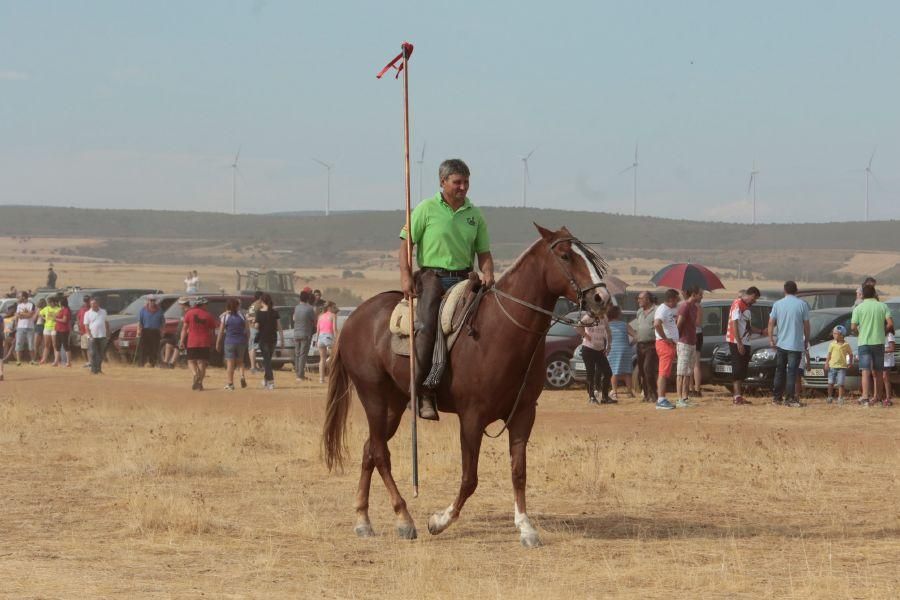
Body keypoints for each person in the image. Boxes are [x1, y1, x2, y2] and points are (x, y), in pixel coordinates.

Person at [398, 158, 494, 420]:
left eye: (466, 182)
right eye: (457, 182)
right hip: (432, 277)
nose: (463, 187)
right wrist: (406, 276)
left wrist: (488, 273)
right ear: (443, 182)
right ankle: (423, 389)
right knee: (431, 324)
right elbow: (406, 245)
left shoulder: (474, 214)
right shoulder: (425, 209)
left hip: (465, 277)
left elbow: (483, 253)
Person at [768, 281, 811, 408]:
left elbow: (771, 323)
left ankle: (776, 398)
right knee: (792, 372)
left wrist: (771, 339)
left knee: (779, 371)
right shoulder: (802, 304)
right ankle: (790, 398)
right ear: (796, 290)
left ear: (784, 290)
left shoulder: (778, 304)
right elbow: (807, 325)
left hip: (781, 343)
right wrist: (806, 340)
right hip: (796, 344)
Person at [851, 283, 893, 406]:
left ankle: (865, 396)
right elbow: (890, 324)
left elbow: (853, 326)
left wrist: (860, 333)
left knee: (865, 370)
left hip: (864, 342)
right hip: (879, 342)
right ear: (874, 294)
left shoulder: (858, 308)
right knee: (879, 371)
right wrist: (883, 332)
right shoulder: (882, 306)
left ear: (863, 295)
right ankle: (878, 397)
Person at [726, 287, 762, 406]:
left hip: (746, 341)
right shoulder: (738, 304)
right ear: (750, 294)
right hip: (737, 341)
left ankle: (739, 395)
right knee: (737, 368)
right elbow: (734, 324)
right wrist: (739, 342)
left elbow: (747, 328)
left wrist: (762, 332)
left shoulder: (746, 308)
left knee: (743, 369)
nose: (755, 301)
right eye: (754, 298)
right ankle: (736, 396)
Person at [576, 307, 612, 405]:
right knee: (590, 373)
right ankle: (591, 397)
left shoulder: (604, 317)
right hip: (588, 349)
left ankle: (605, 397)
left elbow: (608, 332)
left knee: (608, 372)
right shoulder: (588, 317)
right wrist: (585, 335)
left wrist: (608, 346)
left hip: (600, 349)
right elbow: (577, 326)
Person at [180, 297, 217, 391]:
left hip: (192, 341)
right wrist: (213, 341)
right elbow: (212, 330)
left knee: (191, 361)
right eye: (206, 304)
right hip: (205, 342)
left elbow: (184, 329)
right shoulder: (208, 315)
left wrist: (181, 341)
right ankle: (200, 382)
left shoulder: (189, 313)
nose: (207, 306)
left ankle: (195, 374)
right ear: (203, 305)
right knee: (202, 363)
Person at [675, 286, 703, 408]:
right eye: (700, 294)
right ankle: (679, 398)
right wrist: (678, 340)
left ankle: (685, 397)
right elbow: (679, 324)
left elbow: (696, 324)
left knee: (688, 372)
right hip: (684, 342)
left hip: (692, 342)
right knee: (681, 372)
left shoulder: (694, 307)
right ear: (694, 294)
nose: (702, 296)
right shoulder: (685, 306)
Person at [653, 289, 681, 410]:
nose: (678, 301)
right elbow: (656, 324)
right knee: (663, 372)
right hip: (664, 344)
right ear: (671, 299)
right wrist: (665, 338)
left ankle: (662, 398)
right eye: (676, 299)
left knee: (665, 371)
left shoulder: (669, 309)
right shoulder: (662, 309)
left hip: (668, 344)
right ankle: (661, 399)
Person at [631, 291, 658, 403]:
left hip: (651, 344)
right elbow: (638, 327)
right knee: (642, 371)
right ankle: (646, 395)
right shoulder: (639, 312)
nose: (638, 300)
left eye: (640, 298)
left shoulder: (656, 310)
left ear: (647, 299)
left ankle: (654, 395)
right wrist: (635, 337)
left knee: (648, 369)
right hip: (640, 345)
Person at [216, 298, 248, 390]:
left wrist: (218, 343)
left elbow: (221, 331)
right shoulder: (242, 315)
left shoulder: (225, 317)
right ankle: (242, 376)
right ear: (238, 306)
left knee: (230, 363)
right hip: (241, 341)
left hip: (229, 342)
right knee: (240, 361)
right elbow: (247, 330)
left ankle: (230, 383)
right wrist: (248, 340)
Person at [254, 293, 284, 390]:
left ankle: (271, 381)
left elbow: (256, 327)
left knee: (267, 361)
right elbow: (279, 327)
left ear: (262, 301)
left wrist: (252, 322)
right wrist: (282, 339)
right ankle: (266, 380)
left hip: (263, 339)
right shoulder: (274, 312)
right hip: (273, 339)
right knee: (268, 360)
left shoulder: (259, 312)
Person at [607, 305, 635, 401]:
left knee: (614, 371)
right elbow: (636, 336)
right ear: (618, 314)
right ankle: (629, 392)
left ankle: (614, 392)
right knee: (628, 371)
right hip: (625, 349)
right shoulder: (624, 324)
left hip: (613, 350)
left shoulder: (607, 325)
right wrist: (630, 344)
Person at [824, 325, 852, 405]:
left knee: (841, 383)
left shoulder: (846, 345)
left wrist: (850, 362)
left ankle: (840, 398)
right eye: (833, 333)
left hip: (842, 367)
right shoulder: (832, 344)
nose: (833, 335)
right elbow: (829, 355)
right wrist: (826, 363)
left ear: (842, 335)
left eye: (835, 333)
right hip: (832, 366)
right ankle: (829, 397)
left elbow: (850, 354)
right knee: (830, 382)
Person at [292, 290, 317, 380]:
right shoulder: (310, 308)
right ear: (308, 298)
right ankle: (300, 375)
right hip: (305, 333)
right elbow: (314, 321)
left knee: (297, 354)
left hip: (296, 333)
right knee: (303, 354)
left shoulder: (296, 307)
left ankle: (297, 372)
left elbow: (294, 318)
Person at [136, 295, 164, 367]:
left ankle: (152, 363)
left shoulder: (159, 310)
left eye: (153, 300)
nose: (152, 302)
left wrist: (162, 331)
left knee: (154, 348)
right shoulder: (143, 310)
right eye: (150, 300)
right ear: (148, 301)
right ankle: (141, 364)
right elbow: (140, 322)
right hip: (145, 331)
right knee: (143, 349)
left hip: (155, 332)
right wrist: (138, 330)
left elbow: (163, 322)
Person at [163, 297, 191, 369]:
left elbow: (190, 325)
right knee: (168, 344)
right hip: (178, 333)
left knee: (177, 347)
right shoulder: (183, 311)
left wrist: (185, 335)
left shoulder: (190, 312)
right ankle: (165, 362)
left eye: (180, 304)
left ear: (184, 304)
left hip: (184, 335)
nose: (179, 305)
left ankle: (172, 364)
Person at [83, 298, 109, 375]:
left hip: (102, 335)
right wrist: (90, 335)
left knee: (101, 354)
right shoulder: (87, 313)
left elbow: (106, 323)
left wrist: (108, 333)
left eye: (95, 303)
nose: (93, 305)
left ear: (98, 303)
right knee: (93, 353)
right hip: (92, 336)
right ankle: (93, 370)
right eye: (92, 304)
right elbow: (86, 326)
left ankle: (98, 369)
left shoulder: (103, 311)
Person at [316, 301, 339, 385]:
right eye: (334, 307)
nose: (335, 309)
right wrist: (337, 338)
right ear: (329, 307)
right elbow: (334, 329)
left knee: (322, 359)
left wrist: (316, 339)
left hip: (320, 338)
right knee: (334, 355)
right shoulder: (333, 315)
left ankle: (321, 379)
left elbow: (318, 330)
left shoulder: (320, 316)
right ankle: (331, 376)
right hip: (328, 337)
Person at [14, 291, 37, 366]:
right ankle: (18, 361)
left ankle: (33, 360)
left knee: (31, 344)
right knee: (19, 343)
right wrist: (23, 315)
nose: (18, 298)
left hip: (30, 327)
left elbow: (30, 315)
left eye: (20, 296)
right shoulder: (18, 305)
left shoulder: (31, 304)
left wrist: (22, 315)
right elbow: (17, 315)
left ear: (24, 297)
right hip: (20, 327)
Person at [39, 296, 60, 365]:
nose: (50, 304)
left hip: (55, 327)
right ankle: (44, 359)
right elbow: (40, 313)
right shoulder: (46, 308)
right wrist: (45, 318)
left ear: (54, 302)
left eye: (51, 302)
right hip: (47, 327)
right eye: (49, 302)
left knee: (55, 345)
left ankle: (56, 360)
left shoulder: (58, 309)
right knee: (46, 344)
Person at [54, 297, 71, 367]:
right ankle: (56, 361)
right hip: (59, 329)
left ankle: (68, 362)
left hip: (64, 330)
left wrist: (56, 319)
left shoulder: (66, 310)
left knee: (66, 346)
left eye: (59, 302)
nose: (58, 303)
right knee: (57, 346)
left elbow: (64, 320)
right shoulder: (61, 310)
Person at [76, 295, 92, 367]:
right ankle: (87, 362)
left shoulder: (91, 309)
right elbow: (78, 317)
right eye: (85, 301)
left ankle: (90, 362)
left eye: (87, 301)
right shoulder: (82, 309)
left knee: (89, 347)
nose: (86, 302)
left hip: (89, 331)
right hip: (82, 331)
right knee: (83, 348)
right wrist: (79, 325)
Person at [883, 324, 895, 406]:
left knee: (885, 378)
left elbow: (891, 348)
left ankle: (888, 398)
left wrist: (881, 350)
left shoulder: (890, 335)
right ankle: (882, 397)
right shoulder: (881, 335)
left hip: (887, 360)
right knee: (881, 378)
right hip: (881, 359)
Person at [33, 298, 46, 363]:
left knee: (36, 344)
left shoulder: (38, 310)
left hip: (39, 326)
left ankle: (35, 358)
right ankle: (42, 358)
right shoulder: (45, 309)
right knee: (42, 345)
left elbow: (34, 320)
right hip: (43, 326)